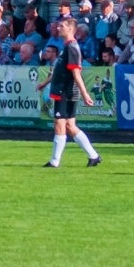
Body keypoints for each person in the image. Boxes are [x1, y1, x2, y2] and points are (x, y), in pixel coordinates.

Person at [36, 17, 101, 169]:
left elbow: (76, 72)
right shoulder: (67, 46)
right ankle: (94, 156)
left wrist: (85, 94)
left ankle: (54, 161)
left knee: (59, 124)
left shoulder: (72, 47)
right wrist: (45, 83)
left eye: (61, 26)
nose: (58, 29)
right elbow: (60, 69)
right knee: (70, 126)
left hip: (65, 91)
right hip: (63, 89)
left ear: (70, 29)